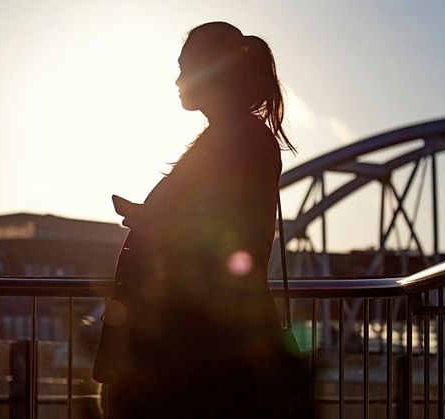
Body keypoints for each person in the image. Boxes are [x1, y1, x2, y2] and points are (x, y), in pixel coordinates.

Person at [95, 21, 297, 419]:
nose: (178, 79)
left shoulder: (239, 141)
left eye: (186, 67)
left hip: (190, 350)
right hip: (185, 347)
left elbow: (224, 240)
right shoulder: (233, 139)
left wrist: (153, 223)